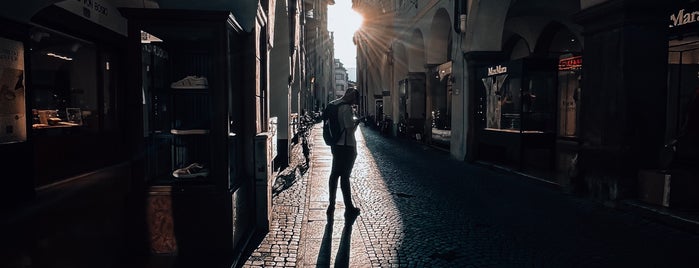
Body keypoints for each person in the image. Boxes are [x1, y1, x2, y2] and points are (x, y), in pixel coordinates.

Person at [327, 87, 361, 218]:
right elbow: (349, 129)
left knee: (334, 174)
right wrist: (356, 123)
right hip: (347, 145)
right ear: (351, 96)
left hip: (335, 144)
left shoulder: (333, 104)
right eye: (354, 99)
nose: (354, 102)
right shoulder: (346, 108)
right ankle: (349, 207)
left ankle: (331, 204)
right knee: (345, 176)